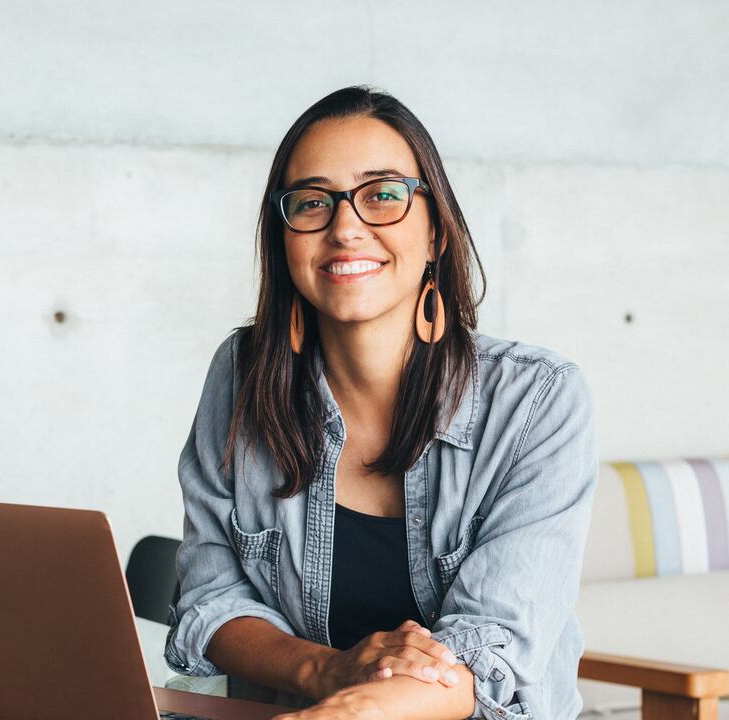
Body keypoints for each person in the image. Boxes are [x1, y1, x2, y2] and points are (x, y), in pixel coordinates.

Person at [165, 86, 597, 720]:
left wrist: (340, 712)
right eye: (312, 202)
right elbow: (210, 595)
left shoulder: (536, 401)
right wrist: (324, 669)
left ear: (435, 234)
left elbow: (489, 657)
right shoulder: (242, 373)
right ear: (284, 242)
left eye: (383, 195)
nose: (345, 227)